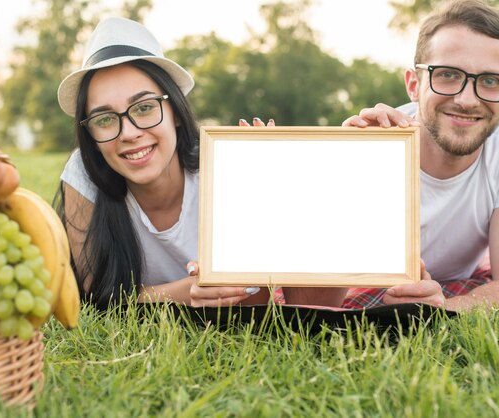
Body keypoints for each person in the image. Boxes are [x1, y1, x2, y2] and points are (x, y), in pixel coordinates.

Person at [56, 17, 348, 310]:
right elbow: (96, 294)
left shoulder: (222, 167)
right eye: (104, 119)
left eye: (144, 108)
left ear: (177, 113)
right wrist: (186, 292)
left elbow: (252, 302)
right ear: (90, 133)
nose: (130, 133)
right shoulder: (83, 173)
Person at [343, 0, 499, 311]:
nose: (467, 100)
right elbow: (321, 298)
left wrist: (443, 309)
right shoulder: (373, 147)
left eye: (490, 81)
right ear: (414, 85)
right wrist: (340, 172)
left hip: (459, 284)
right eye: (447, 75)